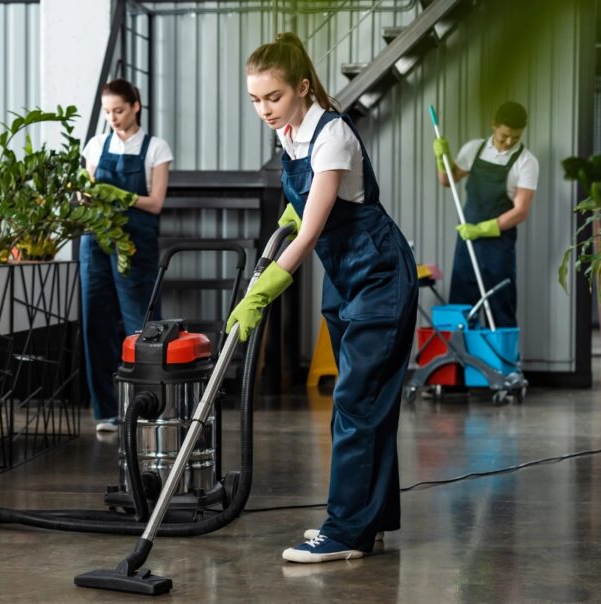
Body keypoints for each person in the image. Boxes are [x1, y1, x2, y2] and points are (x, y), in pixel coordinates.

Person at [230, 32, 418, 563]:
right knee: (367, 403)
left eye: (274, 97)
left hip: (379, 275)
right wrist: (295, 211)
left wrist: (264, 288)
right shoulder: (289, 134)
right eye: (255, 99)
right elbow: (311, 204)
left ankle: (345, 533)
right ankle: (371, 519)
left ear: (302, 88)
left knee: (356, 401)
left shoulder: (330, 134)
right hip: (343, 280)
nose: (264, 110)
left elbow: (310, 232)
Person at [80, 79, 173, 433]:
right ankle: (106, 411)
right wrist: (86, 198)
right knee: (96, 323)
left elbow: (155, 202)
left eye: (118, 110)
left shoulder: (156, 149)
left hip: (136, 242)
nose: (113, 118)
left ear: (135, 106)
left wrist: (116, 194)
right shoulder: (95, 145)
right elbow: (86, 192)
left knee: (141, 324)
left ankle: (148, 407)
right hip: (96, 242)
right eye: (107, 112)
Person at [433, 101, 539, 328]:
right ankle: (461, 363)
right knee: (462, 307)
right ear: (494, 126)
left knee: (501, 306)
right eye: (504, 136)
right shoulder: (474, 149)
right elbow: (447, 180)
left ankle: (502, 363)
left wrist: (482, 228)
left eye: (516, 137)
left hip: (499, 246)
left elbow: (520, 211)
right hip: (468, 242)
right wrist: (442, 158)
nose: (509, 142)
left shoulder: (526, 162)